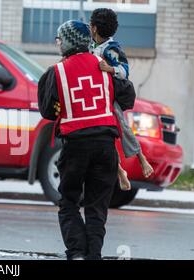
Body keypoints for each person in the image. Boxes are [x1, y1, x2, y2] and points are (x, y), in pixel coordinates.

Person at [38, 20, 136, 260]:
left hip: (76, 146)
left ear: (68, 42)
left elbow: (48, 111)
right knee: (97, 207)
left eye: (59, 40)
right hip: (105, 146)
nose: (58, 44)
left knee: (69, 201)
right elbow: (128, 95)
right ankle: (93, 255)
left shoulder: (57, 71)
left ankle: (77, 253)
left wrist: (63, 107)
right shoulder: (103, 65)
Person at [89, 8, 154, 191]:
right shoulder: (90, 45)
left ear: (94, 28)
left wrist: (109, 69)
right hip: (94, 98)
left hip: (110, 97)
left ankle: (142, 159)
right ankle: (120, 172)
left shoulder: (112, 48)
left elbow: (125, 71)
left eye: (90, 24)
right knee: (103, 137)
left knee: (122, 127)